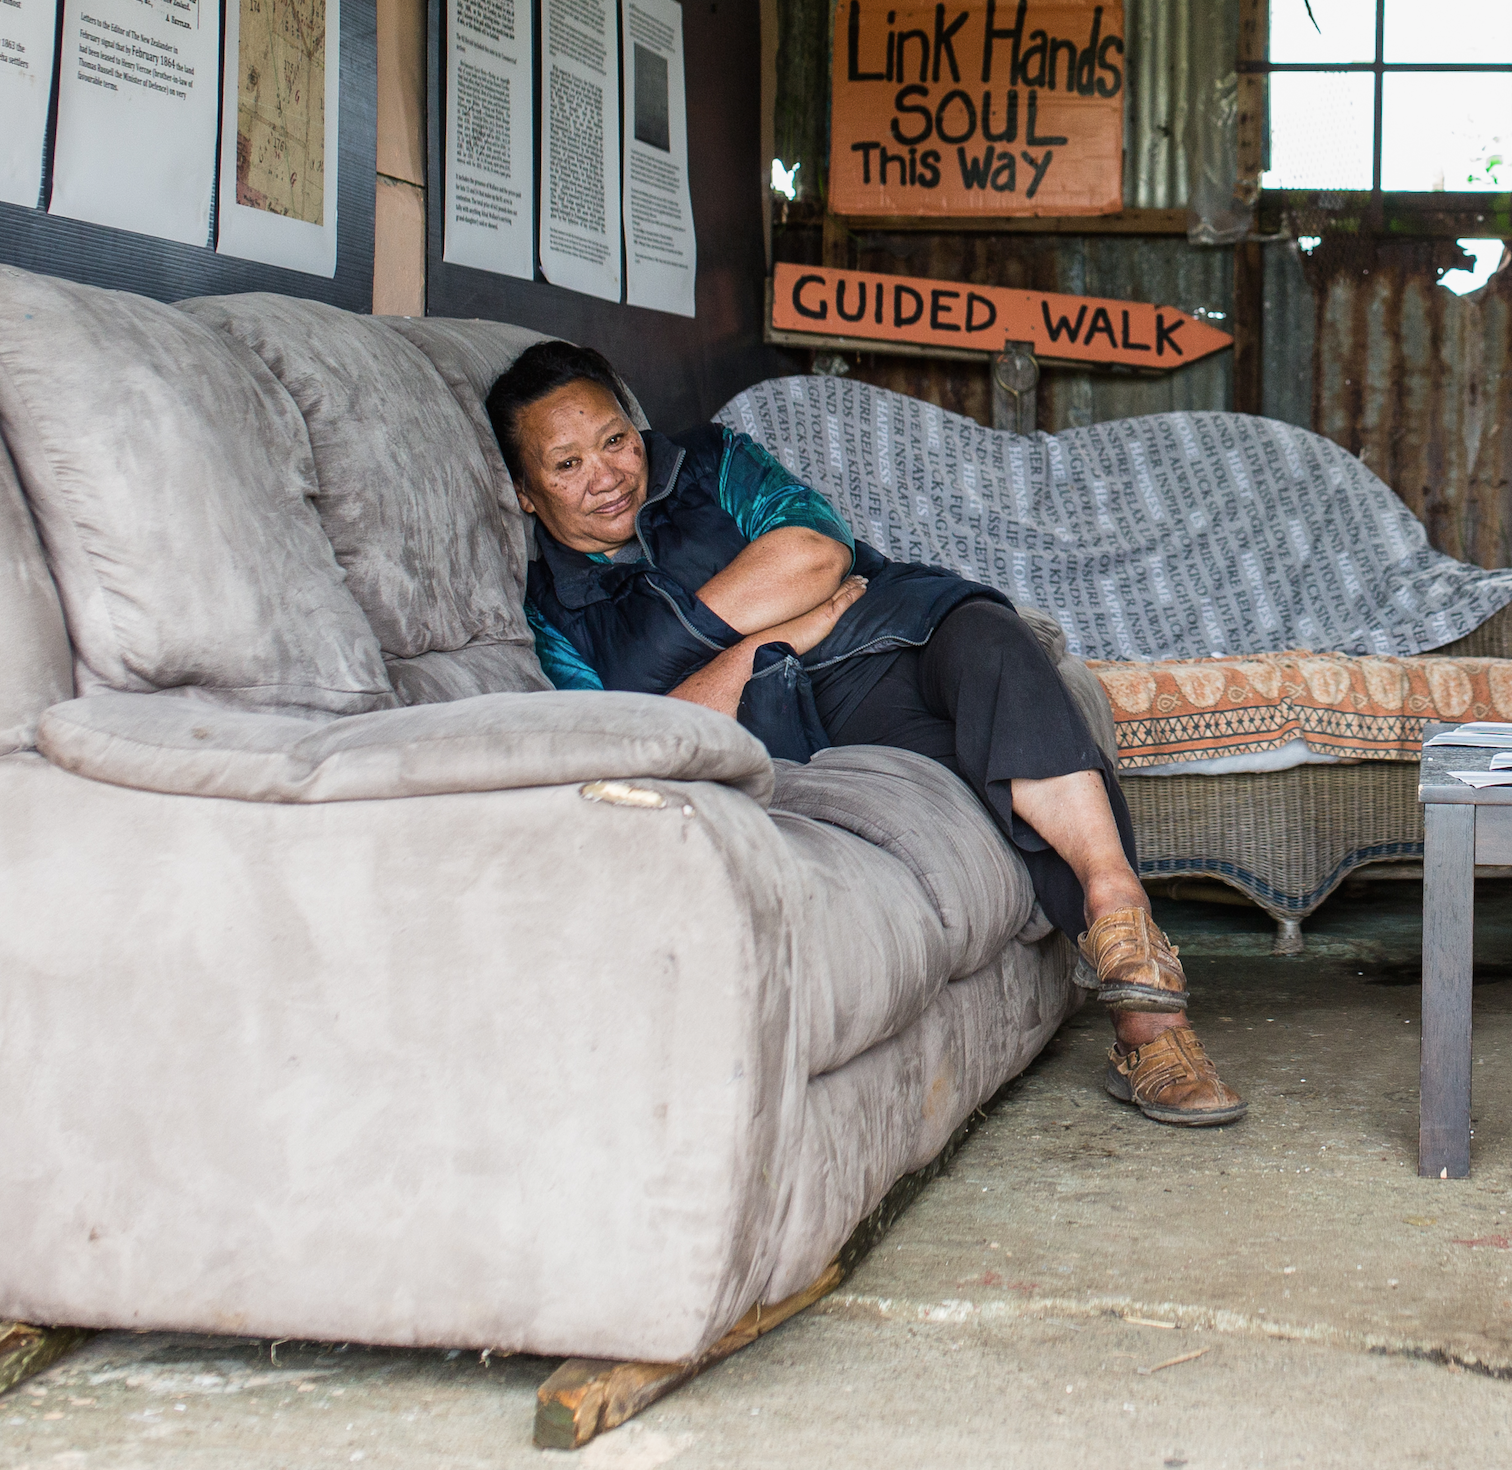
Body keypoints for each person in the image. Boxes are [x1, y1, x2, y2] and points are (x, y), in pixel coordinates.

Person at [484, 341, 1243, 1127]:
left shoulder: (711, 462)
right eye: (566, 464)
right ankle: (1152, 1029)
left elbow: (815, 553)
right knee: (1004, 767)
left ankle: (1123, 920)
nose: (607, 476)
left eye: (614, 440)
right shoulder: (555, 612)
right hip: (795, 718)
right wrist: (776, 638)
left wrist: (714, 649)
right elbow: (645, 732)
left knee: (993, 639)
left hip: (893, 623)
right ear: (528, 493)